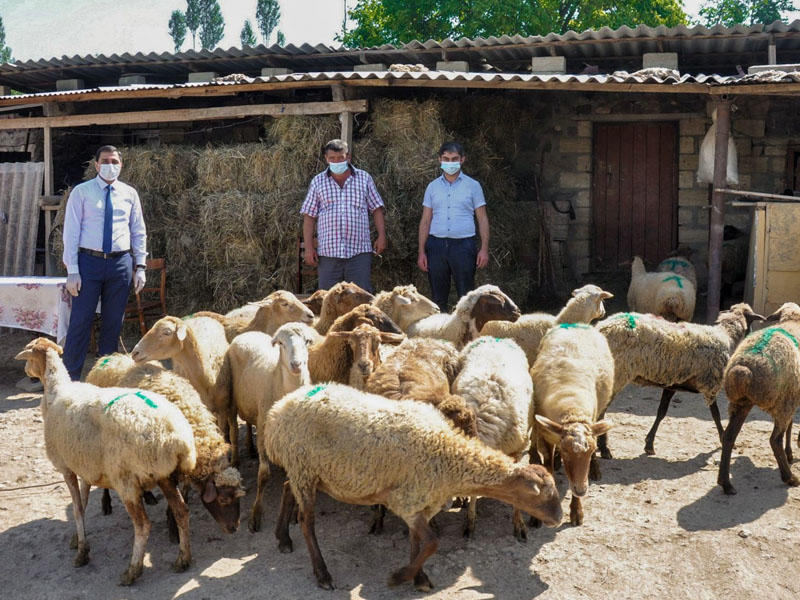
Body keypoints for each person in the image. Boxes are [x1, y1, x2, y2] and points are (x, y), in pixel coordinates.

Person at [61, 145, 147, 381]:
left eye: (115, 161)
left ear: (121, 165)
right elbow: (71, 232)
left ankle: (106, 378)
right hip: (89, 262)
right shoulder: (82, 192)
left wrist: (140, 266)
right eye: (106, 161)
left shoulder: (129, 194)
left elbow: (138, 231)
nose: (111, 165)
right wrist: (73, 270)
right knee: (80, 321)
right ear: (96, 165)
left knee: (112, 324)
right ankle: (70, 379)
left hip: (120, 263)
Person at [300, 139, 387, 292]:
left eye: (341, 157)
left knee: (361, 297)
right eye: (332, 158)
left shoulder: (364, 178)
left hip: (359, 251)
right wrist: (308, 248)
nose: (337, 161)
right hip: (329, 253)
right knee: (329, 298)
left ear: (348, 157)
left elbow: (376, 209)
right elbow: (309, 216)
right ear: (326, 159)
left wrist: (381, 236)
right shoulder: (318, 182)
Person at [417, 141, 489, 312]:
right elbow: (425, 220)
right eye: (446, 159)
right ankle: (440, 334)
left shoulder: (473, 186)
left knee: (466, 296)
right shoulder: (432, 187)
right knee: (437, 296)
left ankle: (467, 334)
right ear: (439, 160)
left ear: (462, 159)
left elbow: (482, 218)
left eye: (454, 159)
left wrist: (484, 249)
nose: (450, 163)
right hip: (436, 246)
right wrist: (421, 251)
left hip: (463, 246)